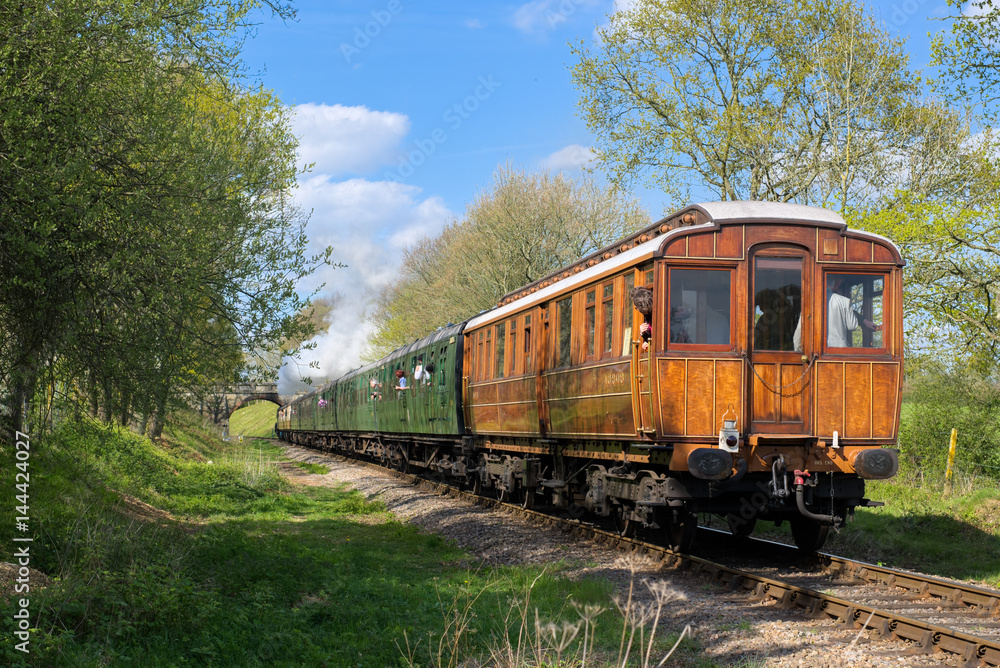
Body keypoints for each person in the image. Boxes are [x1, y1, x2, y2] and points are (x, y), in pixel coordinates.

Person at [827, 276, 876, 347]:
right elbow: (852, 325)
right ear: (837, 282)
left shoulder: (813, 301)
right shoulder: (844, 301)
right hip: (839, 348)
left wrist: (863, 321)